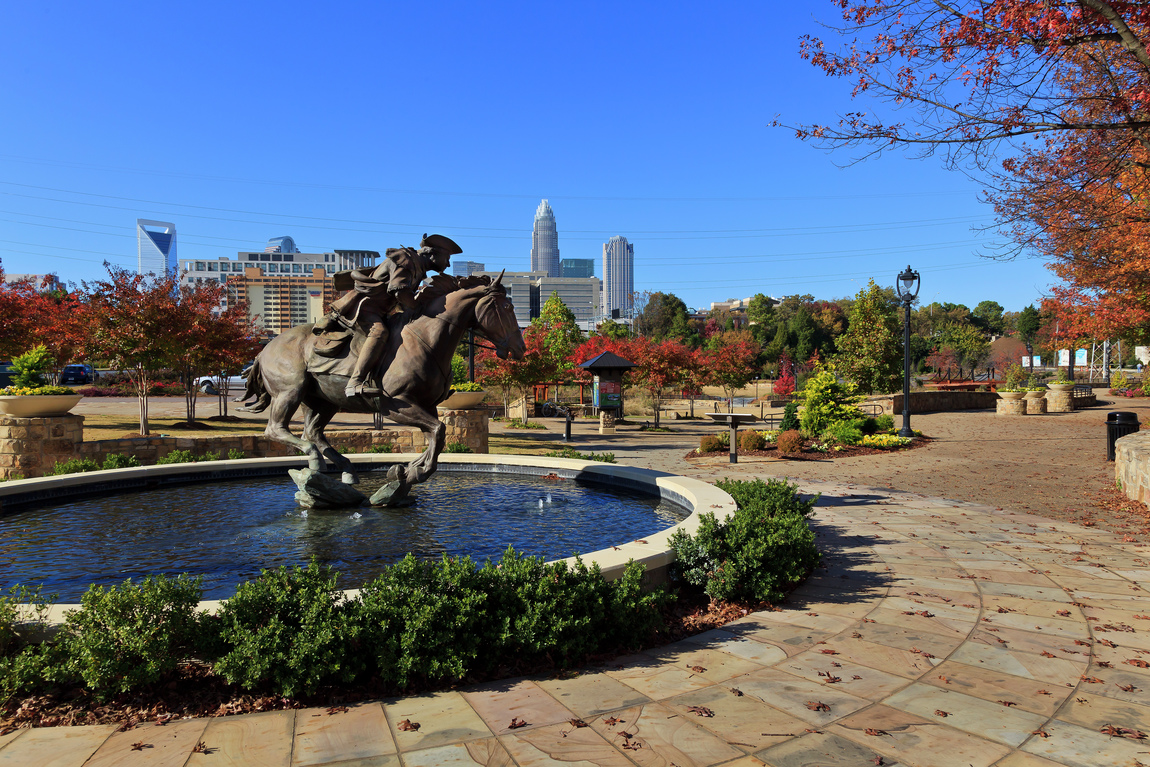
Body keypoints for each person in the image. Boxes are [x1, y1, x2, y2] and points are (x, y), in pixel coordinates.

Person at [314, 234, 462, 396]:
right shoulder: (406, 260)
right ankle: (355, 382)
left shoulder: (417, 266)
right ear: (432, 254)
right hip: (365, 309)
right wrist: (420, 308)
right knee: (379, 332)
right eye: (447, 258)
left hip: (383, 311)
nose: (448, 264)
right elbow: (400, 292)